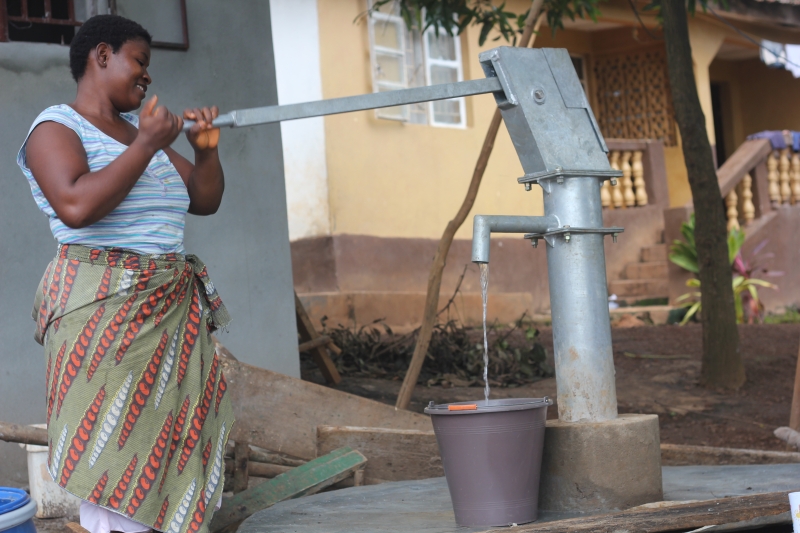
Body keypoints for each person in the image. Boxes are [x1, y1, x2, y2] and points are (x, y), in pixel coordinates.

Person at [17, 14, 234, 533]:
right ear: (102, 55)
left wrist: (205, 154)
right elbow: (74, 205)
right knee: (116, 456)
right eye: (140, 61)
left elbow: (203, 200)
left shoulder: (143, 134)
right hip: (104, 321)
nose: (147, 76)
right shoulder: (55, 128)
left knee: (170, 448)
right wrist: (145, 145)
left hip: (166, 311)